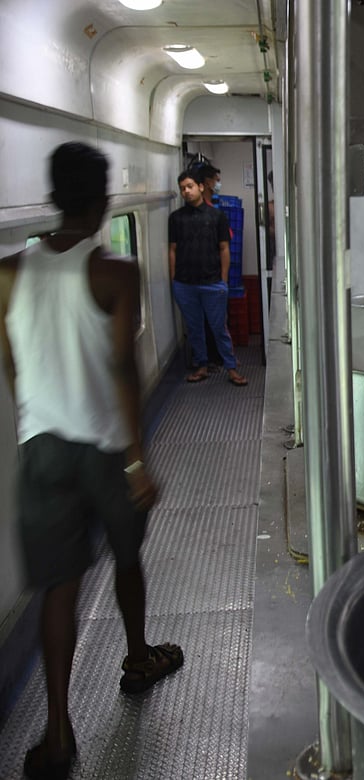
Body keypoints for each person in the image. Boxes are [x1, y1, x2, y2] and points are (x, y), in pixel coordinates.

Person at [0, 142, 184, 780]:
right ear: (105, 199)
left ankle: (56, 735)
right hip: (106, 449)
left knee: (59, 587)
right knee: (127, 560)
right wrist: (138, 462)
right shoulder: (115, 271)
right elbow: (122, 370)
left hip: (42, 448)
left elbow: (14, 368)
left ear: (51, 196)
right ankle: (137, 660)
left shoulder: (8, 272)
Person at [168, 170, 248, 385]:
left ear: (201, 187)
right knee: (194, 328)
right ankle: (201, 366)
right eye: (182, 188)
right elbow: (173, 250)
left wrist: (222, 280)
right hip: (185, 285)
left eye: (190, 186)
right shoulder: (176, 218)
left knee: (219, 328)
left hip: (213, 283)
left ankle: (231, 368)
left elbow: (224, 248)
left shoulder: (216, 216)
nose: (186, 191)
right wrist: (174, 279)